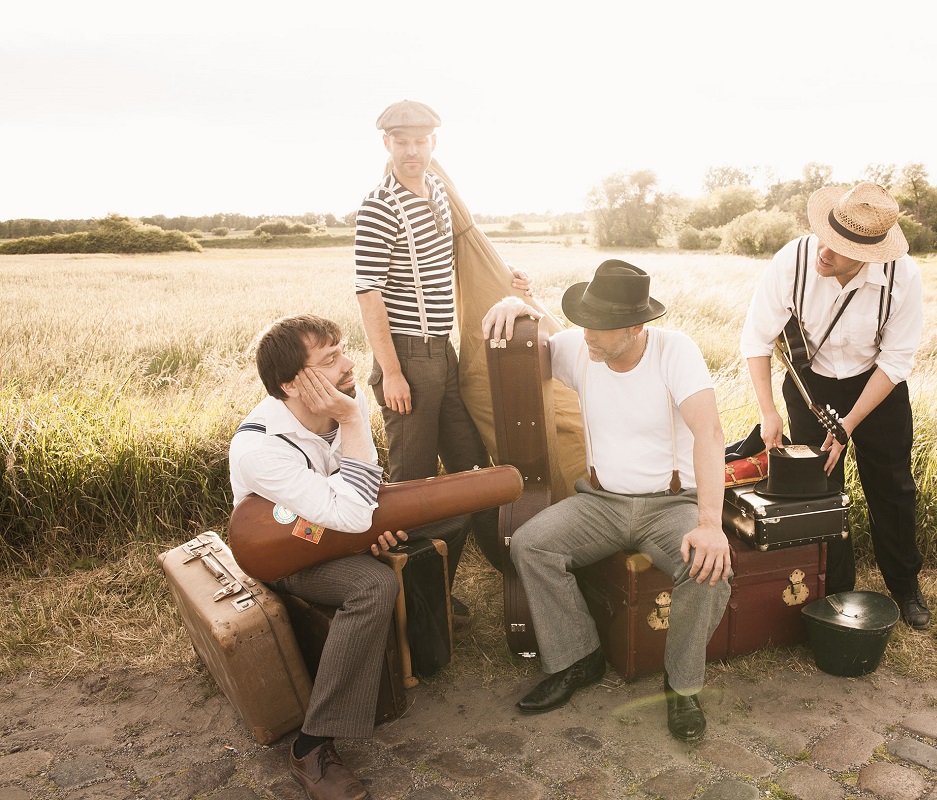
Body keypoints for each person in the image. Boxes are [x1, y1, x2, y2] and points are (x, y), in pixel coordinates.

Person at [482, 260, 732, 743]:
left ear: (637, 326)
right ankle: (579, 657)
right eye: (583, 324)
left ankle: (681, 687)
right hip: (602, 502)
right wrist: (520, 304)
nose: (586, 337)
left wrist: (709, 522)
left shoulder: (675, 351)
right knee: (531, 543)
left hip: (670, 504)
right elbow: (542, 337)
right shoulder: (585, 346)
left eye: (598, 328)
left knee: (708, 567)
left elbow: (711, 433)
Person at [229, 314, 462, 800]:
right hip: (286, 556)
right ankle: (311, 747)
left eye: (343, 350)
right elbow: (352, 513)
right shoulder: (260, 449)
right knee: (373, 586)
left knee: (439, 522)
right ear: (293, 383)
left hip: (330, 532)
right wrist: (355, 419)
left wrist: (366, 536)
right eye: (330, 359)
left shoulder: (334, 413)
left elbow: (360, 500)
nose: (349, 365)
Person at [354, 99, 530, 617]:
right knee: (412, 488)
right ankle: (413, 608)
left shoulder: (435, 191)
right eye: (401, 141)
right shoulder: (379, 207)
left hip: (443, 353)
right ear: (386, 144)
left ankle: (510, 574)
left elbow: (464, 254)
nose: (412, 150)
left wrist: (507, 280)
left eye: (421, 140)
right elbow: (368, 292)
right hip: (407, 357)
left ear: (434, 143)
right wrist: (391, 372)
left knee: (470, 468)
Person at [739, 181, 930, 629]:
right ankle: (835, 588)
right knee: (820, 493)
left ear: (871, 256)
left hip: (877, 389)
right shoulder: (794, 259)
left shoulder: (903, 277)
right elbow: (757, 338)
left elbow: (897, 359)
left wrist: (848, 425)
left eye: (840, 249)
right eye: (826, 236)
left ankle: (904, 587)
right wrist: (770, 412)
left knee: (893, 489)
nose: (824, 252)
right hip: (810, 386)